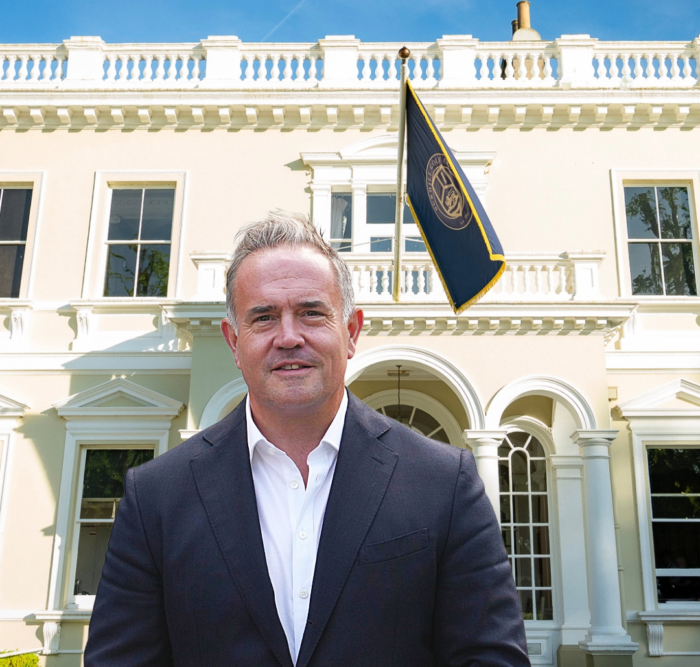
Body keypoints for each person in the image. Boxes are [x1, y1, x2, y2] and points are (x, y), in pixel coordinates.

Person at [85, 213, 529, 667]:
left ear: (351, 332)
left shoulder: (444, 483)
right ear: (234, 342)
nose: (289, 337)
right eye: (263, 318)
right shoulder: (156, 497)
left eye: (311, 313)